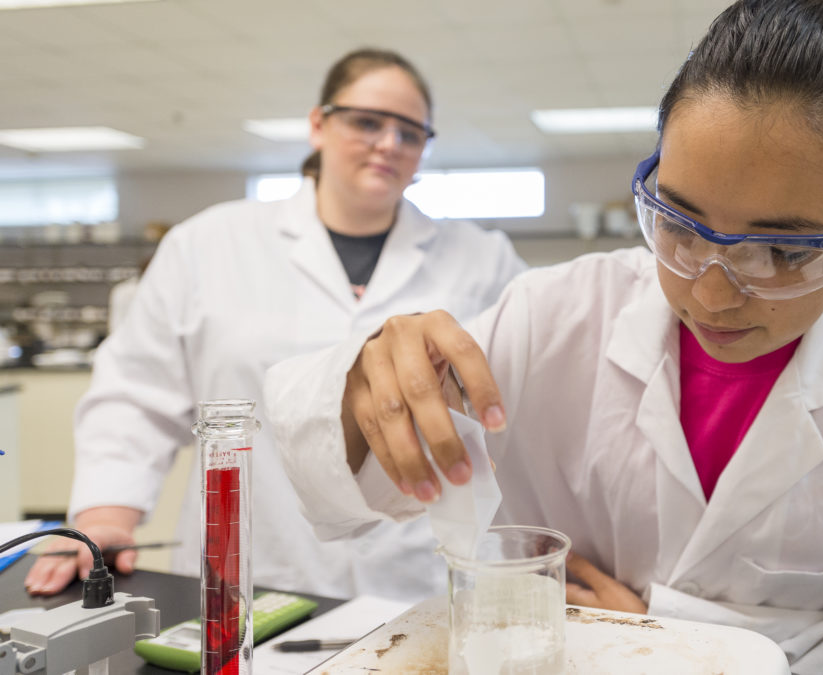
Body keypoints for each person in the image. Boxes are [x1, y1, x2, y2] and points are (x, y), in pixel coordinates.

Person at [267, 2, 823, 672]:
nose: (710, 292)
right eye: (681, 225)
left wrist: (665, 637)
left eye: (783, 252)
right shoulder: (554, 313)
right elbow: (343, 478)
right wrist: (367, 383)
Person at [24, 47, 527, 603]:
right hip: (254, 563)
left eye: (412, 133)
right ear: (319, 124)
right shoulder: (207, 244)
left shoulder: (483, 258)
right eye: (367, 122)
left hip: (416, 570)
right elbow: (135, 394)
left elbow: (530, 393)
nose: (390, 144)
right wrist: (105, 515)